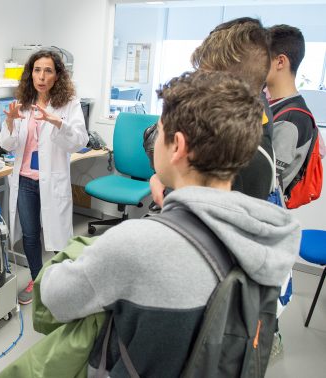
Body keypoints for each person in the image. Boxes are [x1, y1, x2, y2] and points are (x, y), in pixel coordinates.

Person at [40, 70, 299, 377]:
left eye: (159, 131)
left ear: (177, 145)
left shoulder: (136, 244)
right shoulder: (270, 238)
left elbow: (56, 298)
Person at [148, 17, 274, 207]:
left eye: (205, 78)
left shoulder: (248, 158)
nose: (197, 84)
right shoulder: (247, 123)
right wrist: (162, 176)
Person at [0, 49, 88, 305]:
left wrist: (57, 122)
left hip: (52, 179)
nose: (41, 75)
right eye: (37, 70)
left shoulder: (68, 104)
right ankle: (37, 281)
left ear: (57, 75)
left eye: (48, 70)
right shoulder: (23, 104)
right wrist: (11, 123)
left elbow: (80, 140)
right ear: (31, 74)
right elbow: (7, 144)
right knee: (30, 234)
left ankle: (61, 286)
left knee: (58, 236)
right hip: (26, 180)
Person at [266, 24, 314, 194]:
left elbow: (266, 180)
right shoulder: (273, 105)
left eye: (261, 58)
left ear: (280, 61)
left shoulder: (292, 118)